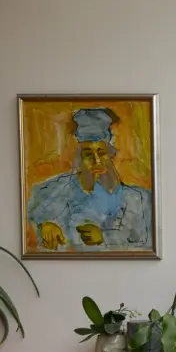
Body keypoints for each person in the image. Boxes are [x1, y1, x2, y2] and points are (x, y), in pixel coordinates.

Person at [27, 107, 153, 252]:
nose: (97, 161)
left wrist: (103, 238)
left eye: (102, 153)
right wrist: (44, 225)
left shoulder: (137, 198)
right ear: (80, 159)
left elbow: (145, 245)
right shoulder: (60, 188)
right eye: (88, 154)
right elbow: (31, 207)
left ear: (111, 155)